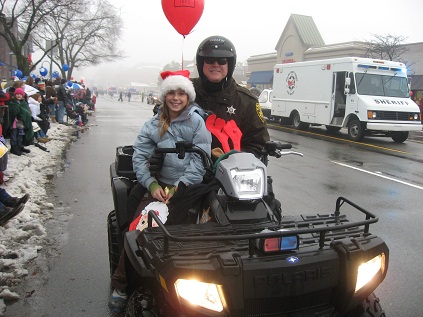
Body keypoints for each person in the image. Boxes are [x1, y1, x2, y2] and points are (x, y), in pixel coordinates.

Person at [109, 69, 212, 313]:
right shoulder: (153, 124)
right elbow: (140, 158)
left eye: (181, 93)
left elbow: (201, 159)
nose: (176, 98)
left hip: (188, 188)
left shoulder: (198, 122)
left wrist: (179, 187)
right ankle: (121, 285)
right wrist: (153, 186)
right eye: (171, 93)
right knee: (139, 229)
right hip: (158, 188)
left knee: (200, 230)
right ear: (165, 96)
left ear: (188, 97)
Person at [193, 35, 270, 157]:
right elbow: (163, 124)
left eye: (222, 60)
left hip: (231, 171)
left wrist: (235, 159)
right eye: (209, 60)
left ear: (230, 64)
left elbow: (258, 142)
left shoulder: (246, 101)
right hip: (186, 168)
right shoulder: (185, 91)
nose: (215, 64)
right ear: (201, 63)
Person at [3, 88, 34, 155]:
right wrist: (18, 110)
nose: (19, 95)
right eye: (17, 94)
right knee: (14, 135)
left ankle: (20, 146)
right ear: (15, 95)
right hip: (14, 123)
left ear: (22, 95)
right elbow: (12, 112)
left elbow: (26, 112)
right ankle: (14, 148)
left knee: (21, 135)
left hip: (22, 123)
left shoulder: (23, 103)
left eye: (20, 94)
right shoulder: (12, 103)